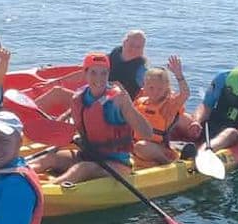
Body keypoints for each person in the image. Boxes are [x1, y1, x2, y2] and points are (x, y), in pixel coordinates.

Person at [29, 53, 153, 184]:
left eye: (103, 73)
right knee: (49, 159)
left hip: (117, 164)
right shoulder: (80, 96)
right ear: (85, 74)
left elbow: (147, 133)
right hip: (87, 156)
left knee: (82, 169)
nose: (99, 78)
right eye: (93, 73)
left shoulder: (118, 100)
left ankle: (41, 192)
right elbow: (73, 118)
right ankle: (17, 175)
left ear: (108, 74)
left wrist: (128, 105)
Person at [132, 56, 202, 165]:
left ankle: (167, 164)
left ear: (166, 88)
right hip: (137, 146)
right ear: (144, 86)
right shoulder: (139, 101)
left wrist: (179, 76)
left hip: (159, 149)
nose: (155, 92)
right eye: (151, 88)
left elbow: (185, 94)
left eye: (160, 89)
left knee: (141, 147)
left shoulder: (168, 105)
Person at [108, 29, 148, 98]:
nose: (134, 49)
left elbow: (150, 92)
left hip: (125, 104)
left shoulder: (141, 70)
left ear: (142, 49)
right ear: (124, 42)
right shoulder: (115, 53)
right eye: (131, 45)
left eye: (138, 47)